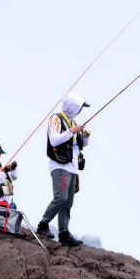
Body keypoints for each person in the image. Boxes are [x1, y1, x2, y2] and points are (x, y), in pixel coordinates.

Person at [36, 93, 90, 246]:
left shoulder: (72, 122)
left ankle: (64, 232)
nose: (80, 111)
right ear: (73, 107)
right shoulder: (56, 119)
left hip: (72, 168)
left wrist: (85, 136)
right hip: (60, 166)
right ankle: (43, 224)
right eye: (79, 108)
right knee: (61, 197)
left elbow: (82, 144)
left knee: (68, 202)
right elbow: (54, 140)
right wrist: (71, 131)